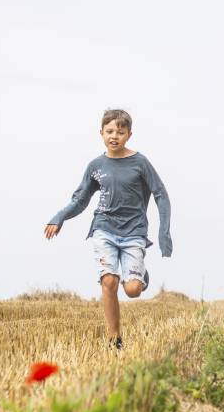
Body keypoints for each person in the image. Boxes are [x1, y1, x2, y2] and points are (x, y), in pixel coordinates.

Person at [44, 109, 172, 350]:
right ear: (101, 133)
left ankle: (139, 274)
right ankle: (114, 340)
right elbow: (80, 200)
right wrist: (59, 216)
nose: (115, 136)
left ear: (129, 135)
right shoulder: (96, 165)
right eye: (110, 131)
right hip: (104, 228)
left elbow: (161, 195)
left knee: (132, 290)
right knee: (110, 281)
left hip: (134, 230)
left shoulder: (140, 162)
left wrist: (163, 232)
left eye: (120, 132)